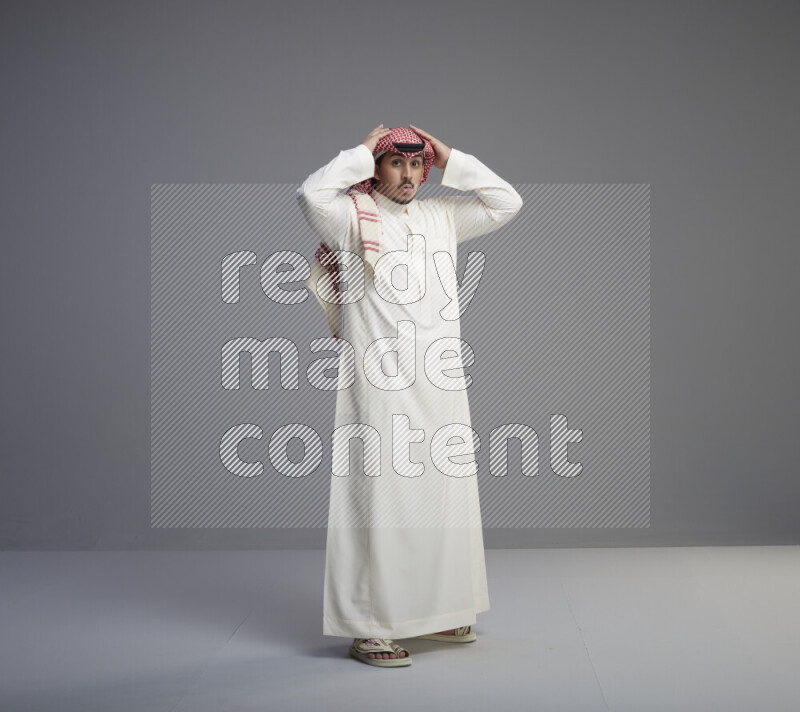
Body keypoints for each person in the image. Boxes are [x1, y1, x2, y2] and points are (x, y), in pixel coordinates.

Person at [296, 124, 523, 667]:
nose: (408, 175)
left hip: (439, 382)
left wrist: (450, 158)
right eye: (396, 163)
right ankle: (369, 628)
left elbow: (507, 202)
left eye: (417, 164)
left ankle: (440, 612)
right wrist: (359, 150)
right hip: (380, 385)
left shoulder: (441, 216)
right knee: (379, 500)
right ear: (375, 169)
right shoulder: (352, 219)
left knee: (444, 497)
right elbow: (310, 194)